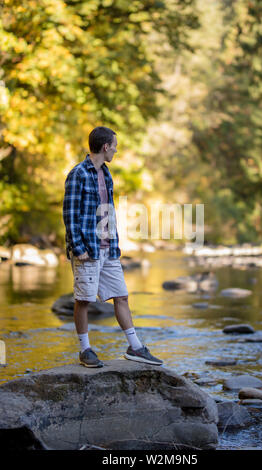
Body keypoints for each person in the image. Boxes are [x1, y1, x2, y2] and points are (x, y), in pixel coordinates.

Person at [63, 126, 163, 368]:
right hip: (87, 249)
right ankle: (85, 350)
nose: (116, 151)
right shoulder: (78, 174)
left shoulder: (106, 174)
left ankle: (135, 347)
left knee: (121, 296)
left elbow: (109, 211)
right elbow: (70, 214)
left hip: (108, 249)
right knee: (84, 300)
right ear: (105, 146)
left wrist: (116, 244)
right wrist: (78, 248)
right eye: (115, 146)